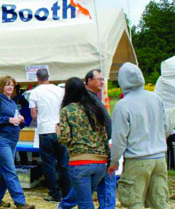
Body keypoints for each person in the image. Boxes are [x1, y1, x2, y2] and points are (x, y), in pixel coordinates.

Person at [108, 63, 169, 208]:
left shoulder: (123, 105)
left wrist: (114, 160)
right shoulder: (156, 99)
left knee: (133, 202)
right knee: (160, 202)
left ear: (122, 81)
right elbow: (166, 127)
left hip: (137, 160)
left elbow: (119, 138)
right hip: (160, 158)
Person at [57, 77, 109, 209]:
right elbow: (104, 135)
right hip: (100, 162)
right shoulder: (95, 108)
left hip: (80, 161)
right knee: (85, 198)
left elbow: (65, 138)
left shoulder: (67, 111)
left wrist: (58, 132)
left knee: (85, 203)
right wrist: (109, 158)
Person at [0, 75, 35, 209]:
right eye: (7, 84)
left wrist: (20, 120)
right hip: (1, 140)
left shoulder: (12, 102)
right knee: (10, 170)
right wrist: (8, 120)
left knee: (5, 170)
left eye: (12, 85)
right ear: (1, 86)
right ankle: (20, 202)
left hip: (12, 140)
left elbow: (15, 121)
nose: (10, 87)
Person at [29, 69, 70, 202]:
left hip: (45, 130)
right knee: (64, 163)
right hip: (59, 128)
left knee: (49, 164)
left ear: (37, 78)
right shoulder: (60, 90)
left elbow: (34, 116)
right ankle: (67, 192)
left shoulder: (34, 93)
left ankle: (54, 193)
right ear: (49, 77)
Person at [85, 69, 114, 209]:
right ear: (89, 81)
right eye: (99, 79)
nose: (102, 82)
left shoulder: (93, 97)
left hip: (99, 148)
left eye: (103, 79)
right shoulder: (87, 99)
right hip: (95, 149)